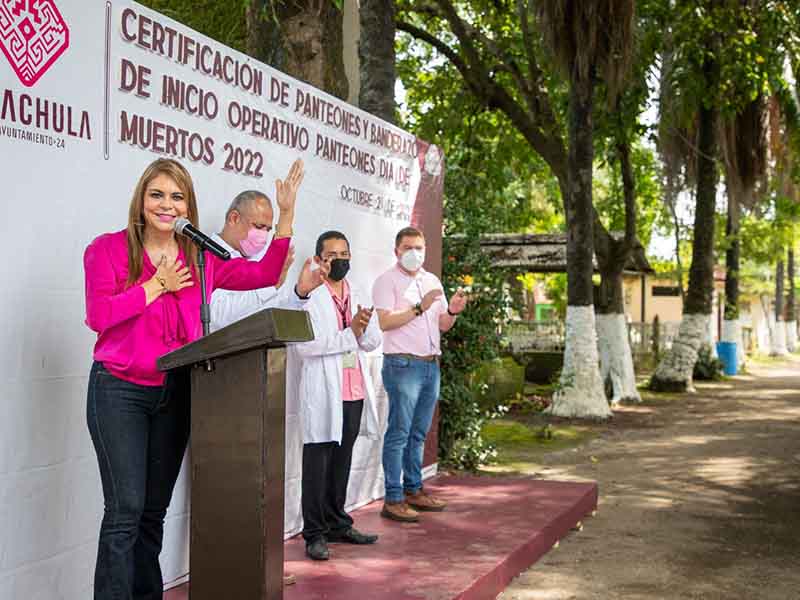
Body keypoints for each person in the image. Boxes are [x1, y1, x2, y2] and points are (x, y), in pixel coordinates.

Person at [83, 157, 302, 599]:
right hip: (119, 390)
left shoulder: (201, 257)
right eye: (157, 194)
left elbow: (261, 273)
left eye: (177, 196)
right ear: (141, 200)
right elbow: (98, 315)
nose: (167, 205)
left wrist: (287, 214)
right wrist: (154, 285)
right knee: (124, 510)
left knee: (152, 514)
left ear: (189, 207)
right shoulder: (107, 248)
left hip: (176, 392)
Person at [292, 231, 382, 561]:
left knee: (342, 461)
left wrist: (364, 329)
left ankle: (337, 523)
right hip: (323, 391)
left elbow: (371, 342)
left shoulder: (357, 291)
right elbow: (305, 347)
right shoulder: (309, 296)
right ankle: (314, 533)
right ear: (319, 259)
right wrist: (350, 334)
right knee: (317, 463)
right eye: (331, 254)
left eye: (345, 253)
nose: (340, 259)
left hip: (353, 390)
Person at [372, 226, 468, 523]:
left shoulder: (432, 280)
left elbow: (441, 325)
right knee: (399, 432)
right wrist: (419, 307)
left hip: (430, 365)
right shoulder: (386, 281)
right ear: (397, 251)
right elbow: (385, 323)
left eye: (419, 247)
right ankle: (394, 497)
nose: (415, 253)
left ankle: (414, 489)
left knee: (418, 432)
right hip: (402, 364)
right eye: (408, 248)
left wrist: (451, 311)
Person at [209, 189, 329, 333]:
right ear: (233, 218)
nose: (263, 236)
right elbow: (216, 318)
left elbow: (274, 316)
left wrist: (300, 293)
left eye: (268, 229)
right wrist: (271, 285)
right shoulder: (204, 255)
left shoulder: (261, 260)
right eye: (259, 227)